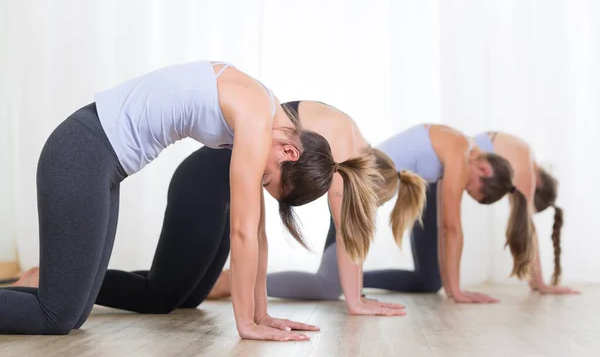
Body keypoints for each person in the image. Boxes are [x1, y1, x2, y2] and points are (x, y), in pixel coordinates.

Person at [0, 62, 381, 340]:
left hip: (102, 165)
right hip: (82, 151)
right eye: (267, 179)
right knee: (55, 315)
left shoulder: (270, 115)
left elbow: (259, 233)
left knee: (74, 311)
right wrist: (245, 324)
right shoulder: (255, 117)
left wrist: (263, 314)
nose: (259, 183)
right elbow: (242, 233)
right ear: (289, 152)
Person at [17, 100, 421, 317]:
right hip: (205, 183)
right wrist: (356, 301)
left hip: (223, 193)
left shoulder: (347, 133)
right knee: (160, 297)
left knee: (187, 296)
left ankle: (69, 277)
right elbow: (348, 234)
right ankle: (48, 278)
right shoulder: (341, 148)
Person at [208, 124, 529, 304]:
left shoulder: (451, 151)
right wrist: (458, 292)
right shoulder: (459, 147)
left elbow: (444, 225)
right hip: (350, 193)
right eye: (471, 189)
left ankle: (361, 283)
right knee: (326, 286)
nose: (463, 190)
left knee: (428, 281)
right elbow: (451, 227)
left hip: (358, 195)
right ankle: (229, 283)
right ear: (483, 167)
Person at [472, 132, 579, 294]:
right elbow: (527, 228)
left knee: (429, 281)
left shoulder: (523, 150)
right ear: (536, 183)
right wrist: (540, 283)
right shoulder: (524, 166)